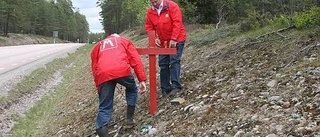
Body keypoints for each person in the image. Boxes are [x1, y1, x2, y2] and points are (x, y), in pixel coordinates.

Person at [90, 33, 147, 137]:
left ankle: (102, 131)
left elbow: (94, 68)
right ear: (117, 37)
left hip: (104, 74)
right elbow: (135, 60)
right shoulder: (124, 41)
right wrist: (141, 79)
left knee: (104, 106)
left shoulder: (98, 46)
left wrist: (99, 87)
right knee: (132, 89)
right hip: (122, 71)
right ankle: (129, 119)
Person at [145, 0, 187, 97]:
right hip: (163, 41)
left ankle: (176, 86)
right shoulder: (150, 12)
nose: (154, 4)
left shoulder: (172, 6)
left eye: (156, 1)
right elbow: (149, 27)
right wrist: (154, 38)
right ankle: (165, 88)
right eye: (152, 2)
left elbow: (177, 23)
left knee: (174, 61)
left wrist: (174, 38)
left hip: (177, 38)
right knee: (163, 63)